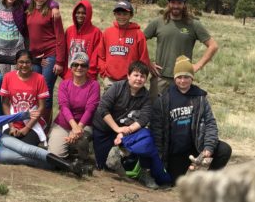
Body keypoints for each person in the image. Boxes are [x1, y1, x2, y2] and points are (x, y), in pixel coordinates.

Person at [151, 56, 232, 185]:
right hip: (176, 151)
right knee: (173, 183)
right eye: (179, 77)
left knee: (224, 149)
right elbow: (157, 131)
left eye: (186, 77)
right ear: (174, 78)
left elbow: (210, 123)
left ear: (192, 78)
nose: (183, 81)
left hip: (196, 145)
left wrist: (208, 147)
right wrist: (160, 159)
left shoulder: (200, 97)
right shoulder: (163, 100)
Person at [92, 61, 169, 189]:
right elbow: (102, 109)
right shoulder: (117, 87)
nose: (139, 79)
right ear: (128, 76)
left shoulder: (146, 97)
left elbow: (143, 119)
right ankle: (118, 160)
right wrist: (116, 129)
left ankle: (143, 170)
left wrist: (123, 132)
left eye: (142, 76)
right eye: (136, 75)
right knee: (104, 166)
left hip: (127, 131)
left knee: (147, 137)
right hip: (105, 129)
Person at [144, 0, 219, 101]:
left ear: (184, 5)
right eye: (173, 2)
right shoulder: (158, 22)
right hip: (160, 77)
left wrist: (198, 65)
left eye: (179, 3)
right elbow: (139, 41)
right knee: (155, 110)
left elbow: (213, 46)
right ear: (169, 3)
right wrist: (148, 62)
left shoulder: (193, 24)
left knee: (180, 113)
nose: (176, 6)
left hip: (182, 79)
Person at [48, 52, 100, 163]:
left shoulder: (94, 85)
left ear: (87, 68)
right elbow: (64, 106)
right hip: (63, 124)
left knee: (82, 141)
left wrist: (78, 128)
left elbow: (90, 109)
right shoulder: (64, 84)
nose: (79, 67)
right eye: (75, 64)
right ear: (71, 67)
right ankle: (70, 150)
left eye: (83, 65)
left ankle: (82, 156)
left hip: (84, 124)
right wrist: (74, 126)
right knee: (55, 156)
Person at [26, 0, 66, 125]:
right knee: (35, 90)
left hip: (50, 54)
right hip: (35, 57)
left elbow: (60, 36)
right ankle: (34, 122)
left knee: (45, 92)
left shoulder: (52, 12)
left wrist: (60, 61)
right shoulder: (28, 8)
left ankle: (45, 125)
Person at [0, 50, 49, 146]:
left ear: (31, 63)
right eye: (21, 62)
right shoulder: (8, 77)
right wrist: (11, 126)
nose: (24, 65)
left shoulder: (39, 78)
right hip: (12, 119)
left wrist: (27, 128)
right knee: (7, 144)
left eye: (27, 62)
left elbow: (41, 107)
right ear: (16, 63)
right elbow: (5, 103)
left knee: (27, 145)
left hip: (32, 122)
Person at [98, 0, 150, 90]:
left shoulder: (138, 34)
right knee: (109, 104)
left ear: (131, 15)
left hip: (130, 81)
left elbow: (143, 59)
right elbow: (101, 56)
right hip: (110, 81)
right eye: (119, 14)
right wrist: (104, 73)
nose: (121, 17)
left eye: (125, 14)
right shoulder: (107, 32)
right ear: (114, 14)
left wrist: (138, 78)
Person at [63, 0, 102, 81]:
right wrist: (65, 73)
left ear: (89, 14)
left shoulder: (96, 32)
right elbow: (65, 52)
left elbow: (96, 57)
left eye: (84, 13)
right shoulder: (69, 30)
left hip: (87, 77)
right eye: (78, 13)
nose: (80, 15)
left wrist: (90, 74)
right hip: (69, 76)